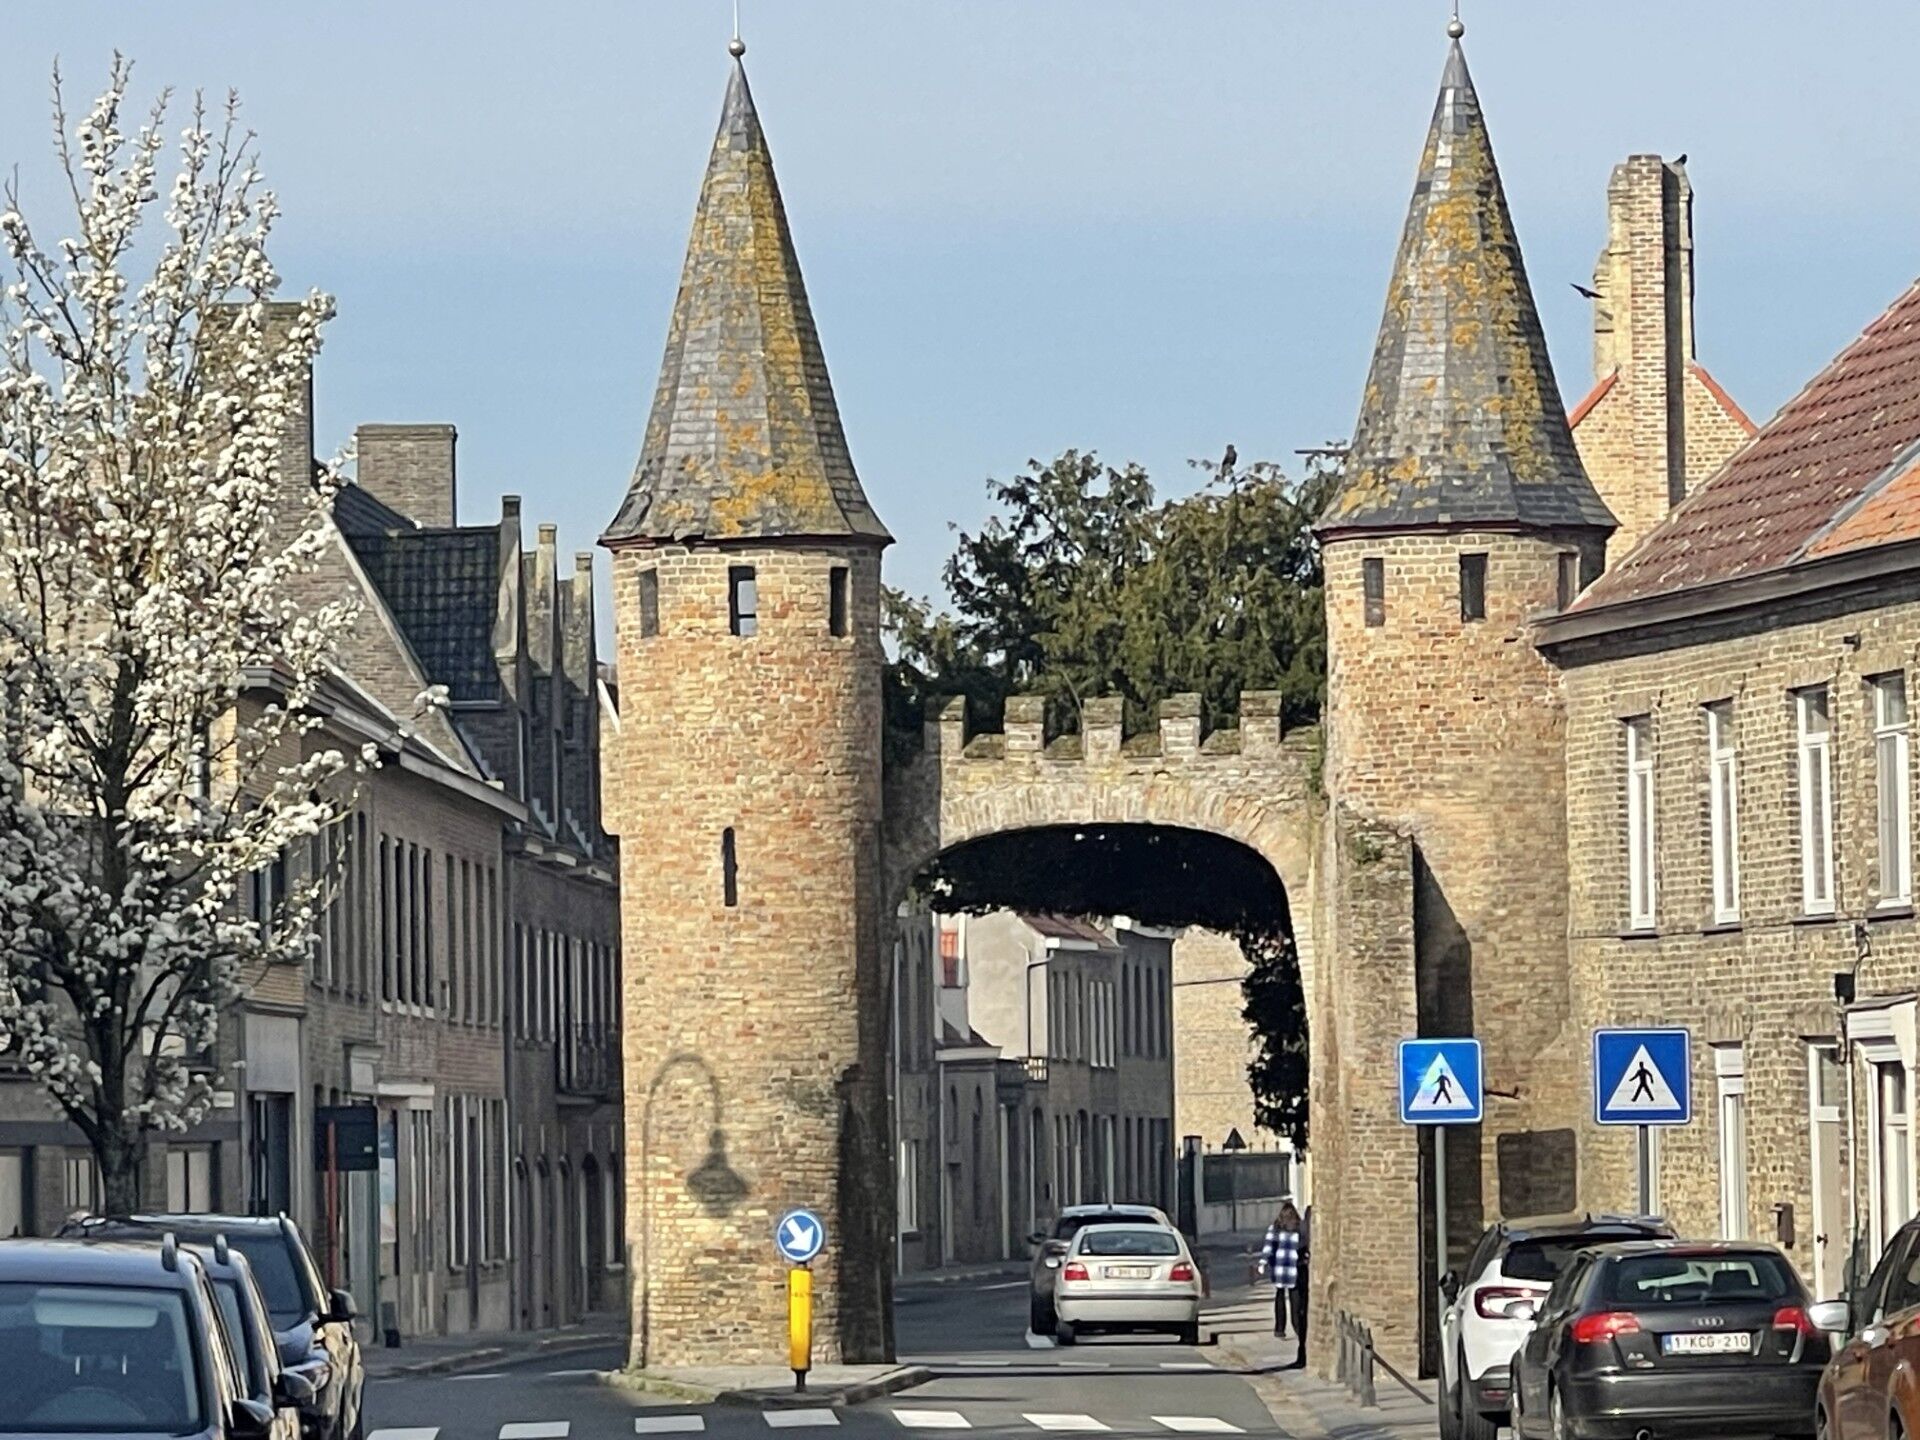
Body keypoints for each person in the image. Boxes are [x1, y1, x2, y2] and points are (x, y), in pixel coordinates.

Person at [1259, 1201, 1306, 1351]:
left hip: (1279, 1268)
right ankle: (1298, 1327)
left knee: (1280, 1297)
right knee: (1295, 1300)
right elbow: (1305, 1246)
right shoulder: (1299, 1228)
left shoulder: (1275, 1228)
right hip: (1293, 1268)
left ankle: (1279, 1328)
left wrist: (1263, 1263)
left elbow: (1268, 1247)